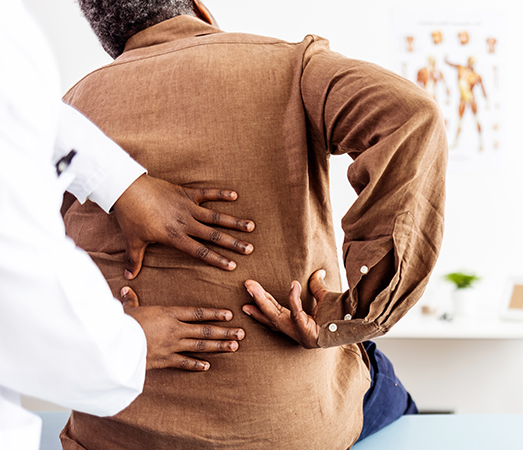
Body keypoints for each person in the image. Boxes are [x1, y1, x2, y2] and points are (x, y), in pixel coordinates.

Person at [61, 0, 447, 448]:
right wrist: (353, 313)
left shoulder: (70, 113)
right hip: (291, 432)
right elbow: (410, 115)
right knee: (384, 387)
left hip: (112, 436)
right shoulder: (288, 66)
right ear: (199, 8)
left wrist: (107, 328)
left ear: (110, 43)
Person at [0, 2, 255, 448]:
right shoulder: (288, 63)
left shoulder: (77, 93)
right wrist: (126, 345)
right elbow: (14, 270)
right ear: (202, 10)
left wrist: (120, 182)